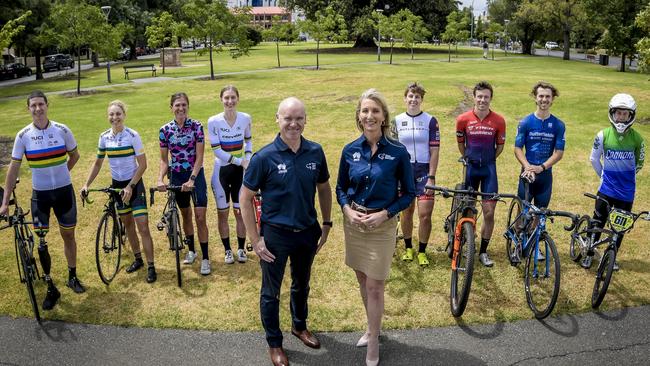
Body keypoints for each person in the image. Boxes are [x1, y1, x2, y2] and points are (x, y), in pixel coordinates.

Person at [240, 97, 332, 366]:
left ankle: (299, 326)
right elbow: (245, 198)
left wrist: (326, 224)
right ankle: (274, 342)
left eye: (299, 118)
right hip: (275, 236)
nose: (294, 124)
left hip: (307, 232)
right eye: (288, 118)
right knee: (271, 292)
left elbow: (324, 188)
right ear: (277, 119)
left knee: (302, 284)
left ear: (305, 120)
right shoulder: (264, 157)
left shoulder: (315, 152)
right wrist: (255, 240)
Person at [336, 89, 415, 366]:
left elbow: (408, 193)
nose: (369, 116)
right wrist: (346, 209)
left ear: (383, 117)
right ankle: (372, 328)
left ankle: (373, 345)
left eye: (375, 111)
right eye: (365, 111)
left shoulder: (397, 152)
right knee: (362, 279)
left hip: (381, 227)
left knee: (375, 286)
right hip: (354, 225)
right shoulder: (349, 150)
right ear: (359, 116)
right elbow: (341, 188)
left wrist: (385, 214)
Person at [0, 90, 85, 311]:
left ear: (47, 105)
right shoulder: (23, 136)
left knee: (68, 235)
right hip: (41, 196)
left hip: (64, 193)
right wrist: (5, 200)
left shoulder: (62, 130)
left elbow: (75, 155)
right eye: (33, 106)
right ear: (28, 109)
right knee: (41, 241)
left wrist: (63, 173)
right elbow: (14, 167)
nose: (38, 109)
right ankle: (49, 286)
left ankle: (72, 276)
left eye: (41, 104)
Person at [80, 100, 157, 283]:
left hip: (134, 185)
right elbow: (98, 163)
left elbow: (143, 164)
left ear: (124, 115)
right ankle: (138, 259)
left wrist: (130, 185)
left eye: (118, 114)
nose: (115, 118)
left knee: (142, 225)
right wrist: (86, 184)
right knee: (128, 224)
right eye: (111, 114)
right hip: (117, 187)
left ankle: (151, 265)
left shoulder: (133, 135)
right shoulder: (104, 137)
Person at [584, 93, 645, 270]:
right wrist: (604, 176)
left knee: (621, 225)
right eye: (618, 113)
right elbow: (594, 159)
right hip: (606, 190)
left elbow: (639, 163)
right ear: (612, 113)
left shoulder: (638, 139)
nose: (621, 117)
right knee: (598, 221)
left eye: (625, 114)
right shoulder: (602, 135)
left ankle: (612, 255)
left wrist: (626, 178)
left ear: (631, 116)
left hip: (626, 192)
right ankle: (589, 252)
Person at [158, 92, 211, 275]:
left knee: (200, 217)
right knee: (186, 215)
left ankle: (205, 258)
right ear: (171, 108)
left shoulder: (197, 126)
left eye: (183, 105)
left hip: (195, 175)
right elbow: (165, 161)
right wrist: (160, 179)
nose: (180, 108)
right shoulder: (165, 130)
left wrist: (192, 179)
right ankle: (191, 251)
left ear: (188, 106)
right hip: (177, 177)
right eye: (177, 105)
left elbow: (200, 157)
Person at [456, 81, 506, 267]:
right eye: (479, 96)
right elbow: (461, 144)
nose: (482, 100)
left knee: (489, 212)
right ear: (474, 97)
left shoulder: (499, 120)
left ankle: (483, 251)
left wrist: (488, 160)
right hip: (470, 168)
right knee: (467, 209)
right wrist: (468, 157)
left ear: (490, 98)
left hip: (488, 170)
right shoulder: (463, 119)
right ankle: (465, 241)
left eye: (486, 97)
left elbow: (499, 147)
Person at [393, 82, 440, 266]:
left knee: (425, 214)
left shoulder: (430, 121)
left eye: (417, 97)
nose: (413, 99)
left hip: (424, 171)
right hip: (403, 172)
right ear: (405, 98)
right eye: (410, 96)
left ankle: (422, 251)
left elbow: (435, 151)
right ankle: (408, 248)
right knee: (407, 211)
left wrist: (432, 175)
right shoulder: (396, 121)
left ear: (422, 100)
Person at [207, 85, 252, 264]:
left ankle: (241, 249)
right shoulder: (213, 121)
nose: (230, 101)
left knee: (240, 212)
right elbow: (217, 150)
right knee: (222, 214)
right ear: (221, 100)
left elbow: (248, 141)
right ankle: (227, 250)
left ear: (238, 99)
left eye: (233, 97)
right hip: (221, 172)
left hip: (240, 173)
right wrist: (241, 161)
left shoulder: (245, 118)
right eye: (226, 98)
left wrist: (248, 159)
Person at [514, 81, 565, 209]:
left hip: (545, 175)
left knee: (540, 215)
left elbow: (559, 153)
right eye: (541, 96)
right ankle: (518, 229)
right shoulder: (525, 122)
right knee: (521, 214)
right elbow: (517, 148)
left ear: (552, 99)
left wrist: (542, 167)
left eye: (547, 96)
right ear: (535, 98)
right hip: (527, 172)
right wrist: (527, 167)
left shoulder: (558, 125)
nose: (544, 99)